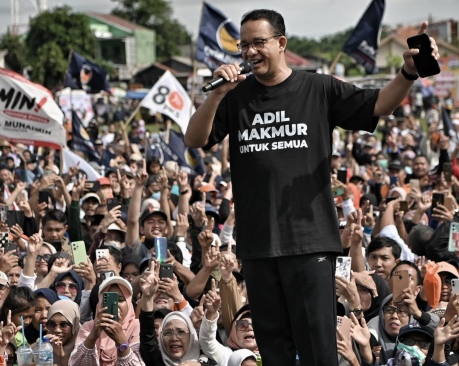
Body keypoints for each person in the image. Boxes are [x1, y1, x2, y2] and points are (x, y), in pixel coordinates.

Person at [184, 8, 439, 366]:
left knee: (319, 349)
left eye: (259, 42)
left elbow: (380, 103)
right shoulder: (235, 96)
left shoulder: (318, 88)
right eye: (243, 46)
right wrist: (216, 94)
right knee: (274, 350)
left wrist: (409, 72)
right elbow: (195, 139)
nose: (250, 52)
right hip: (258, 246)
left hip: (310, 243)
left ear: (281, 43)